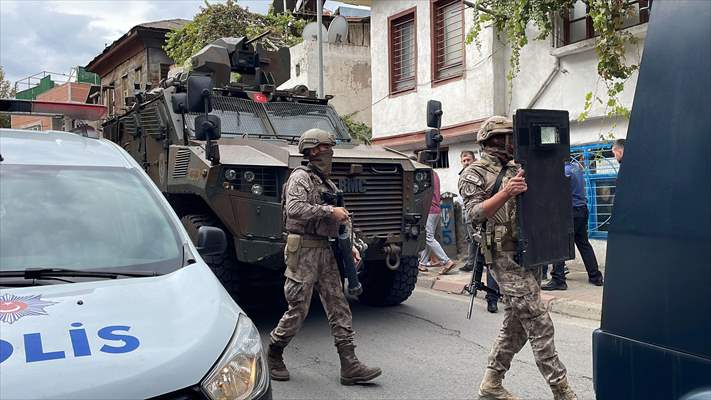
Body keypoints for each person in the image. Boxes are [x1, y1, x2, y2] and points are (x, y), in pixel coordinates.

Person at [459, 116, 577, 400]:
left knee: (516, 324)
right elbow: (473, 214)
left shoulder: (518, 167)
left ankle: (491, 383)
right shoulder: (474, 173)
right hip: (503, 255)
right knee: (538, 321)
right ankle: (563, 391)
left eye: (512, 137)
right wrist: (505, 192)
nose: (511, 143)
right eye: (505, 137)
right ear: (491, 141)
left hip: (530, 250)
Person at [267, 128, 381, 385]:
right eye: (324, 148)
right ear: (312, 150)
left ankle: (349, 365)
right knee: (299, 308)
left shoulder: (325, 182)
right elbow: (295, 209)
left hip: (326, 251)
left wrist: (349, 244)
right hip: (304, 251)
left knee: (339, 306)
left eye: (330, 148)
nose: (328, 152)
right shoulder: (300, 177)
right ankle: (274, 351)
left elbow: (342, 219)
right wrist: (330, 210)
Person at [543, 161, 604, 290]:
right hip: (582, 209)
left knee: (560, 245)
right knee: (583, 243)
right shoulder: (576, 168)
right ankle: (595, 276)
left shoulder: (563, 171)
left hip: (570, 211)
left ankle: (558, 280)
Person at [458, 150, 500, 313]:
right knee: (478, 255)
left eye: (469, 159)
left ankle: (492, 298)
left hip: (491, 222)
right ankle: (474, 285)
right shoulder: (467, 174)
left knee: (490, 260)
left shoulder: (491, 174)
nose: (466, 162)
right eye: (464, 160)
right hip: (474, 221)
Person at [417, 167, 456, 275]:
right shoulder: (434, 173)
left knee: (428, 237)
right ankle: (422, 264)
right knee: (428, 237)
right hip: (436, 209)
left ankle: (446, 261)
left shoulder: (423, 174)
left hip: (429, 209)